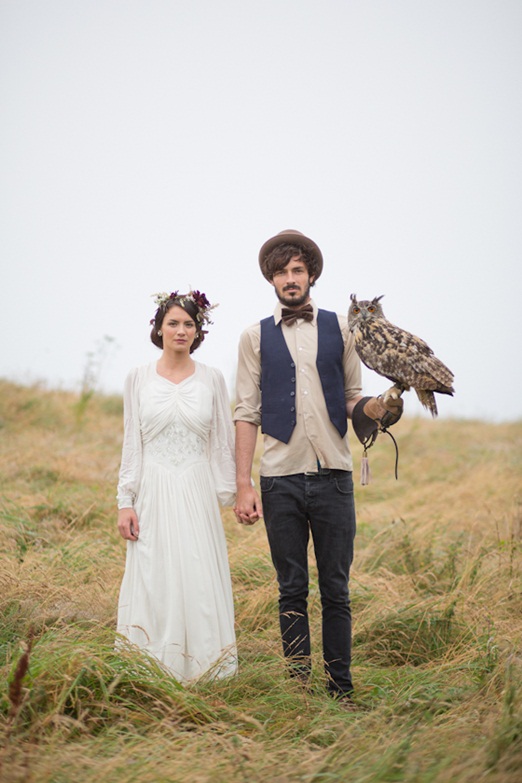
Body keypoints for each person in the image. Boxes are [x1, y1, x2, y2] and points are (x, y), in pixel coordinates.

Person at [233, 230, 402, 700]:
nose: (291, 279)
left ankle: (341, 691)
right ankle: (299, 692)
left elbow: (351, 398)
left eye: (298, 270)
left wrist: (376, 409)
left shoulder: (341, 331)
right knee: (291, 589)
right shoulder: (253, 337)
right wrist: (243, 483)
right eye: (282, 272)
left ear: (310, 275)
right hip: (279, 479)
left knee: (336, 590)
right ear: (272, 278)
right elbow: (246, 412)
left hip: (333, 477)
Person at [116, 289, 237, 683]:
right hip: (152, 488)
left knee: (198, 572)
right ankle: (150, 668)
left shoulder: (213, 378)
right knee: (154, 574)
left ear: (198, 330)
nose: (181, 330)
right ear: (159, 328)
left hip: (196, 489)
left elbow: (221, 441)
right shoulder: (137, 378)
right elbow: (132, 443)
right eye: (173, 323)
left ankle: (205, 671)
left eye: (189, 324)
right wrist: (125, 500)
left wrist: (235, 493)